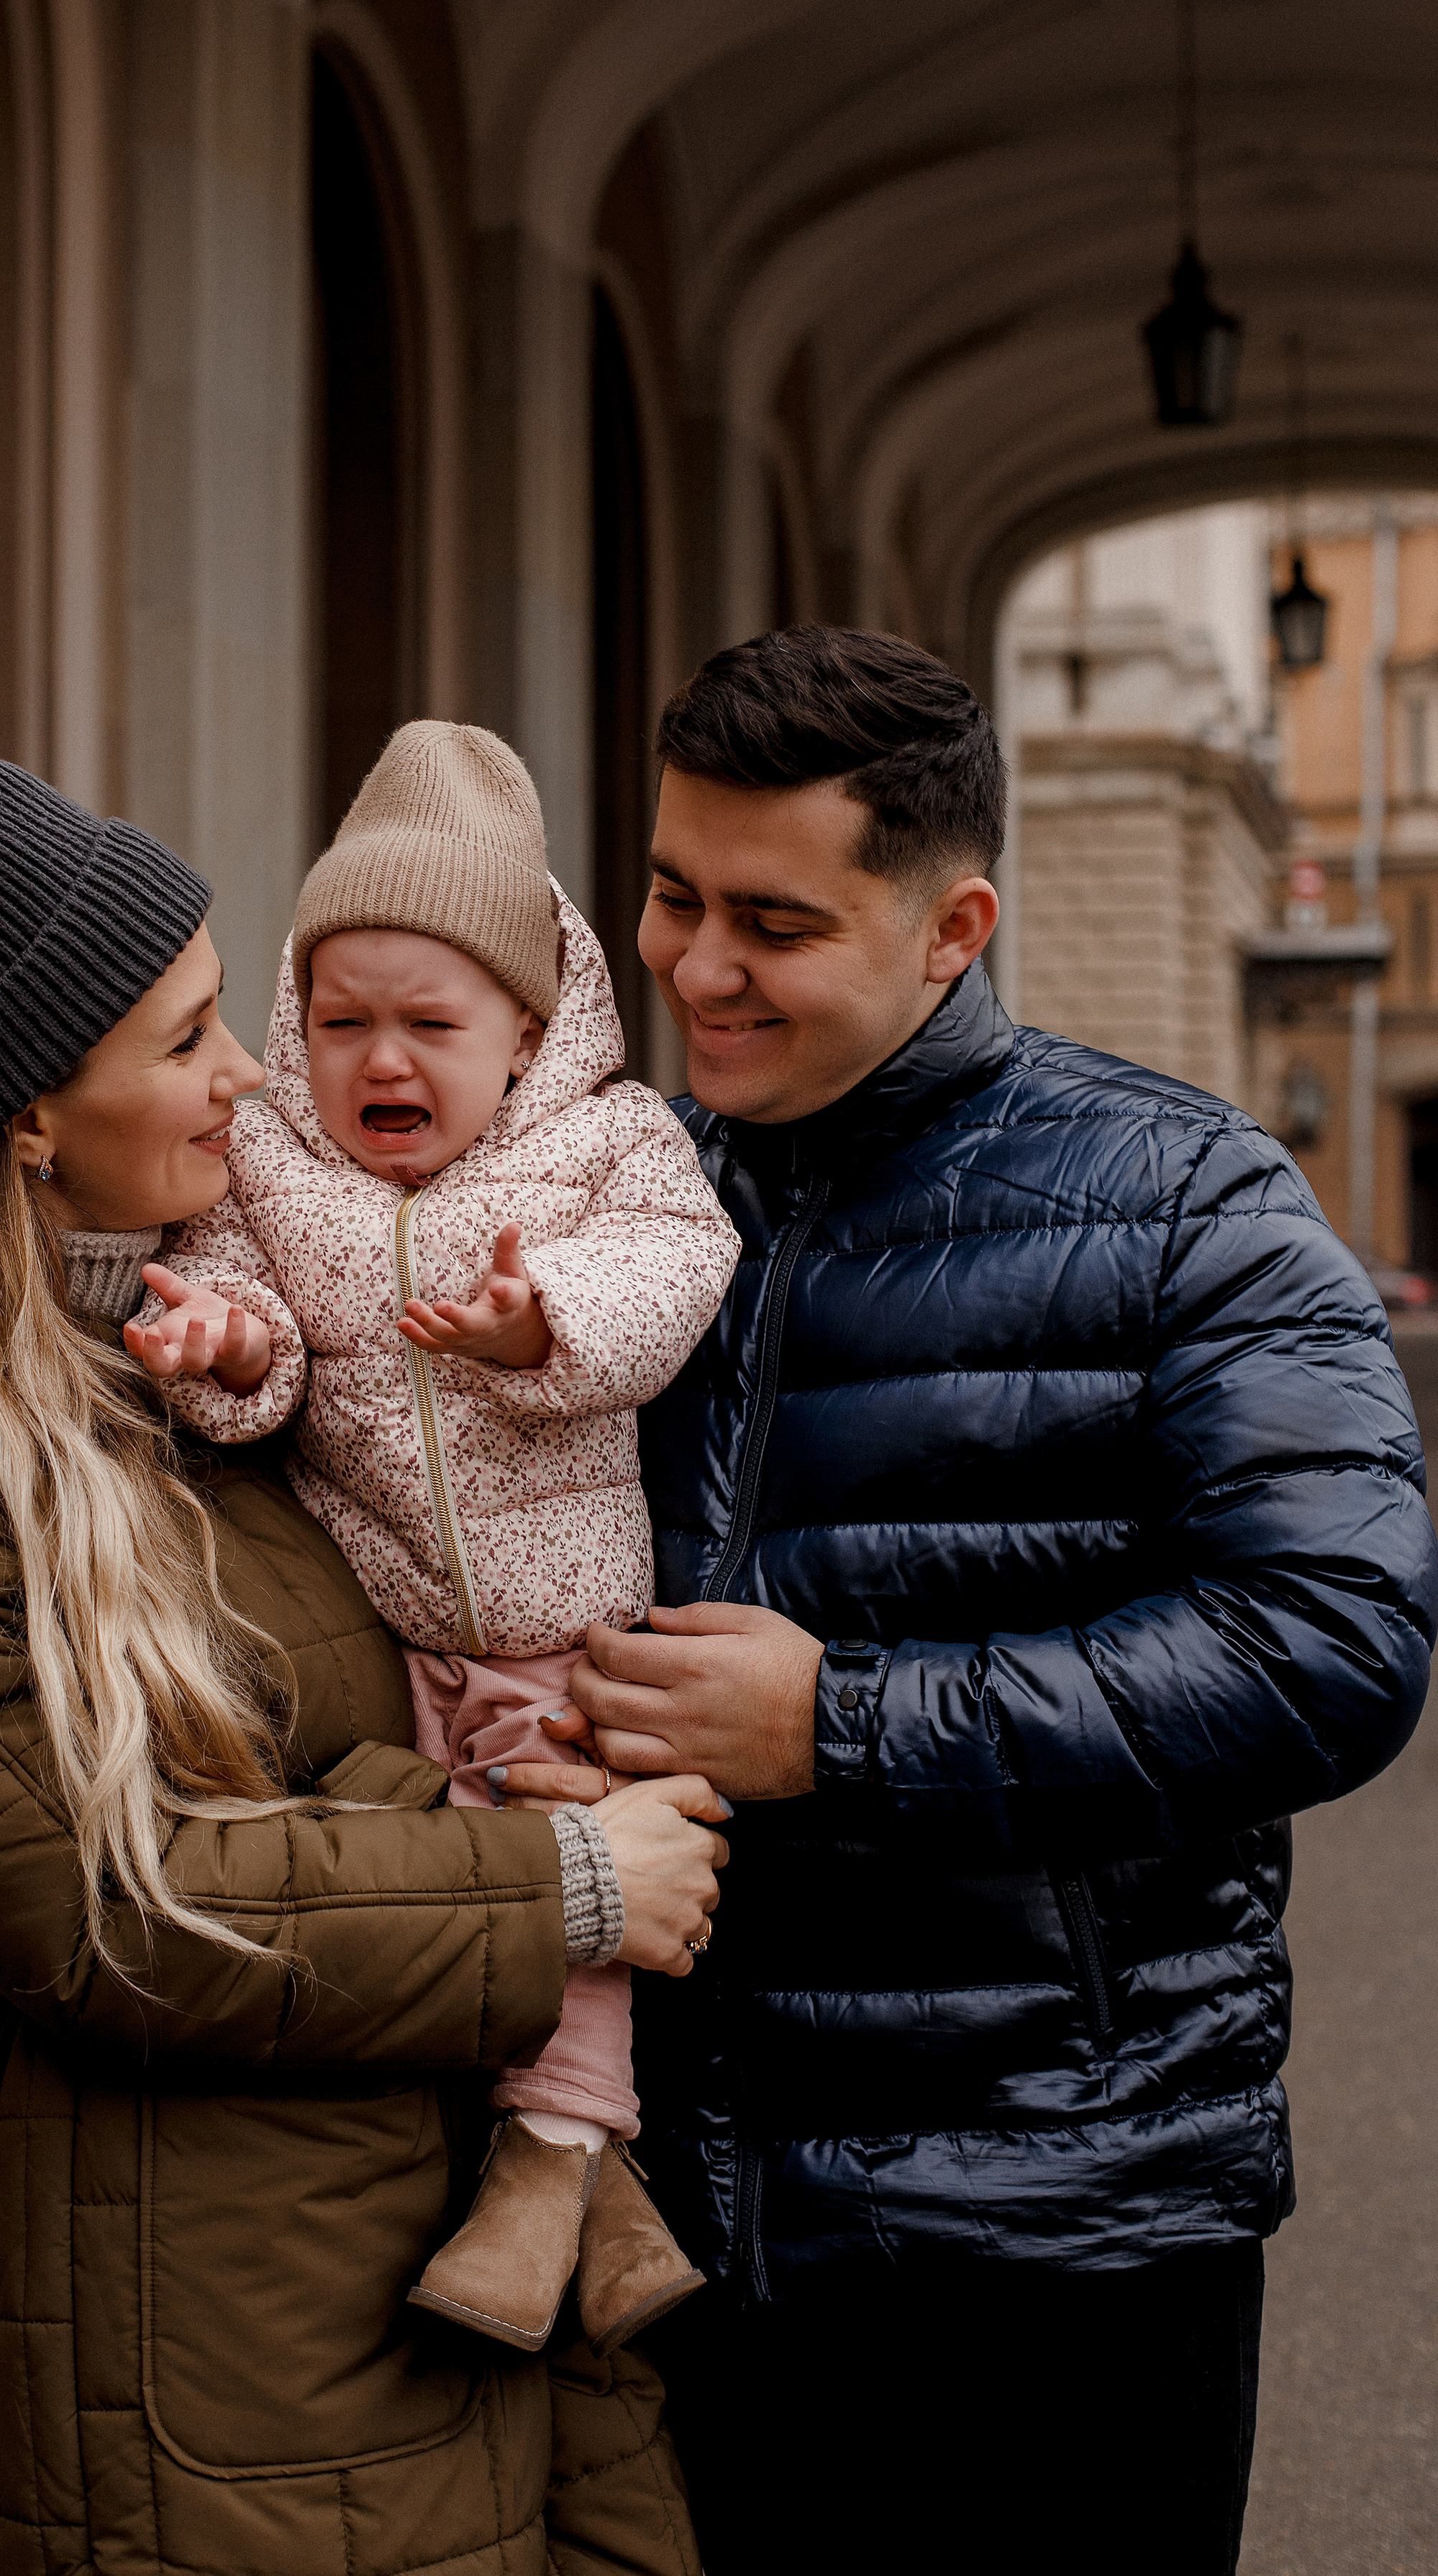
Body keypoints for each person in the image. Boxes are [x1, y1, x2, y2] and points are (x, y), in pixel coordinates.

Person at [0, 735, 724, 2576]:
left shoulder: (212, 1355)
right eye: (188, 1039)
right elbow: (116, 1904)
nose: (254, 1071)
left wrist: (546, 1760)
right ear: (29, 1108)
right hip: (221, 2374)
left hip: (449, 2280)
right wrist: (565, 1873)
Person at [499, 626, 1437, 2576]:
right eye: (670, 894)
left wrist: (838, 1728)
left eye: (774, 919)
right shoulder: (612, 1197)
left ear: (953, 928)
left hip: (1066, 2236)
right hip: (674, 2222)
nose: (693, 964)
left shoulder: (1195, 1200)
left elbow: (1334, 1645)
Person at [125, 718, 739, 2358]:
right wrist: (232, 1357)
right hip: (383, 1617)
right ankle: (598, 2207)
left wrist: (545, 1326)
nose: (381, 1063)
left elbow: (672, 1272)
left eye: (430, 1024)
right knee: (437, 1887)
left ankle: (546, 2167)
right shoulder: (268, 1163)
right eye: (341, 1022)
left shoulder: (607, 1144)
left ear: (528, 1028)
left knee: (564, 1855)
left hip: (563, 1623)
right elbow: (250, 1318)